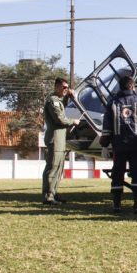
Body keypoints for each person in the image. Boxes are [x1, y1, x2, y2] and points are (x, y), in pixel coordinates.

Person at [100, 75, 137, 213]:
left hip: (119, 146)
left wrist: (105, 144)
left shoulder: (112, 103)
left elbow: (107, 125)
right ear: (132, 86)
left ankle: (116, 205)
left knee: (117, 173)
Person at [41, 77, 80, 205]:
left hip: (60, 140)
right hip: (55, 139)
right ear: (56, 87)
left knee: (59, 169)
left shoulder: (58, 100)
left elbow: (62, 107)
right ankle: (48, 196)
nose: (66, 90)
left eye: (67, 87)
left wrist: (68, 97)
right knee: (52, 167)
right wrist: (73, 121)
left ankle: (53, 193)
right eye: (64, 87)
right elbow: (60, 119)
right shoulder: (53, 101)